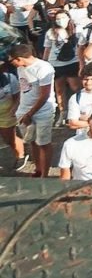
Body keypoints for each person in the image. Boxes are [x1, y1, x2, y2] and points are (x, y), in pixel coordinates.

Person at [9, 42, 55, 178]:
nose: (11, 63)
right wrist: (17, 107)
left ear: (19, 59)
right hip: (24, 110)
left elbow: (44, 95)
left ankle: (45, 175)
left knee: (44, 143)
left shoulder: (43, 68)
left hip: (42, 111)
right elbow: (24, 89)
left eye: (12, 60)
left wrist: (30, 113)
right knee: (32, 141)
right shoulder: (20, 69)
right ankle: (38, 169)